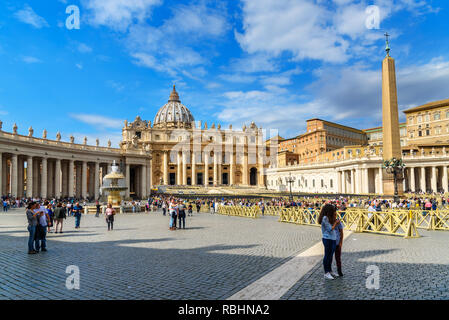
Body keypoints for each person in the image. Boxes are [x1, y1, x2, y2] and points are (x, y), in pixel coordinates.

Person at [318, 204, 340, 280]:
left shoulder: (330, 217)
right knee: (327, 255)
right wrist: (335, 223)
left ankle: (330, 271)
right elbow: (330, 229)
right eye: (333, 210)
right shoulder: (325, 218)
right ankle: (326, 272)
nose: (334, 211)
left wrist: (336, 221)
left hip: (333, 238)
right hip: (327, 238)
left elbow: (334, 228)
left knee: (330, 256)